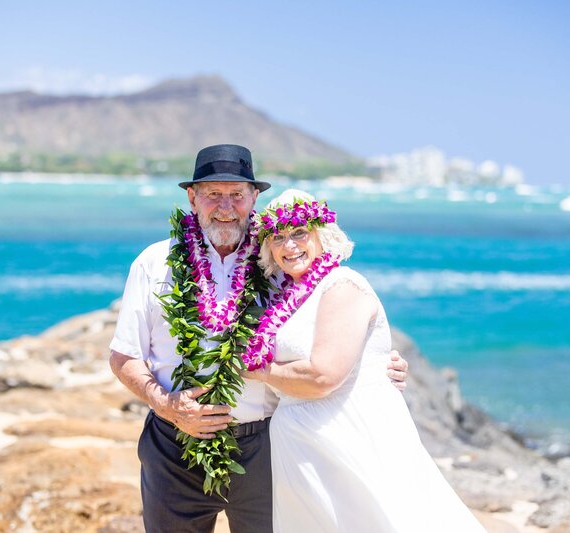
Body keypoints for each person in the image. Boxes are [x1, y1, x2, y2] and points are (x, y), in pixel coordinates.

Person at [108, 145, 409, 533]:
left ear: (254, 197)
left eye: (237, 194)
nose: (226, 206)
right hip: (174, 447)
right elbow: (123, 356)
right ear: (192, 197)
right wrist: (166, 404)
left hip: (266, 447)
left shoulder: (280, 259)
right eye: (214, 194)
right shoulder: (153, 263)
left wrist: (375, 365)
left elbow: (336, 314)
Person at [243, 189, 485, 532]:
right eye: (278, 237)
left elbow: (324, 377)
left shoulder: (342, 284)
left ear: (321, 235)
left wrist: (257, 369)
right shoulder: (288, 299)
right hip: (303, 449)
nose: (289, 245)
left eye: (299, 232)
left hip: (349, 437)